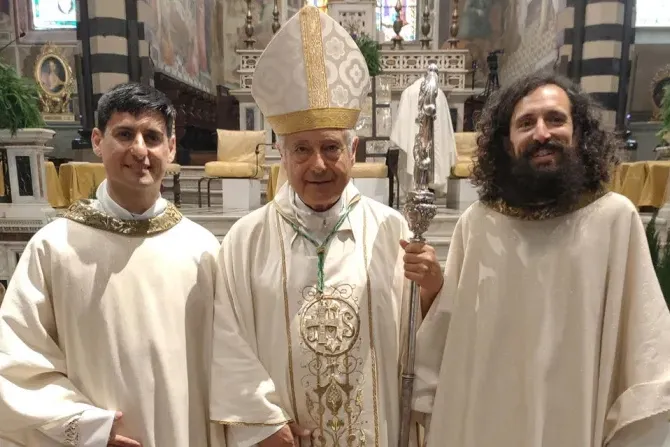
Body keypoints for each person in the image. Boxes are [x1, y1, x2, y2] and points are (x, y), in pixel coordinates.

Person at [209, 6, 443, 447]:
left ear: (353, 152)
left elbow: (424, 340)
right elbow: (227, 339)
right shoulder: (247, 240)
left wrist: (431, 291)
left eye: (331, 147)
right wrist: (262, 424)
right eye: (301, 149)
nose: (317, 163)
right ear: (282, 153)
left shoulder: (392, 231)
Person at [412, 72, 670, 446]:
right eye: (526, 123)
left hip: (576, 421)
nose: (542, 133)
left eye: (555, 119)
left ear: (578, 132)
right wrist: (432, 287)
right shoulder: (480, 223)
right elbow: (449, 337)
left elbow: (645, 347)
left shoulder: (614, 220)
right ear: (507, 141)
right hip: (488, 420)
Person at [0, 82, 225, 447]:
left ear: (170, 148)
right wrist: (90, 427)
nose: (139, 150)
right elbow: (16, 363)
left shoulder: (202, 249)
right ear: (97, 141)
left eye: (152, 137)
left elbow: (231, 359)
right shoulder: (54, 247)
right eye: (124, 134)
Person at [391, 75, 456, 195]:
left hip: (416, 141)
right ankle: (430, 191)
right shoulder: (440, 94)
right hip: (430, 142)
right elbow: (445, 128)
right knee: (433, 161)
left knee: (415, 160)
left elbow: (402, 126)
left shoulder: (409, 92)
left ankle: (416, 191)